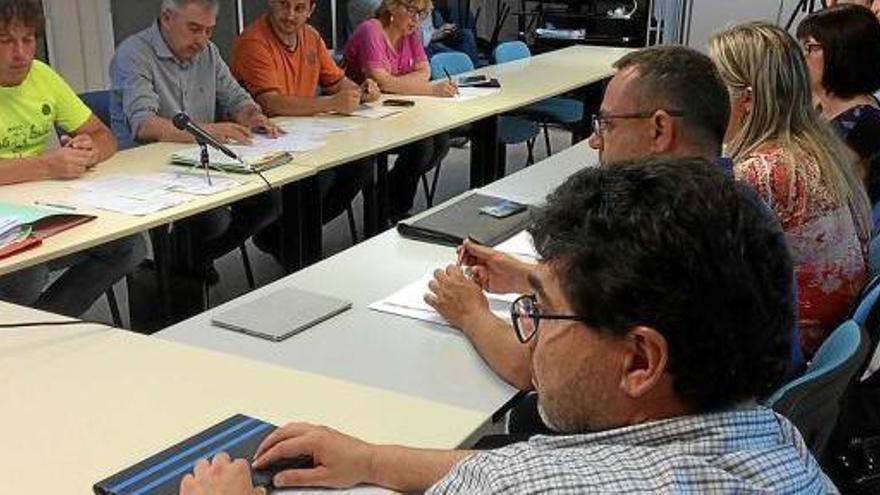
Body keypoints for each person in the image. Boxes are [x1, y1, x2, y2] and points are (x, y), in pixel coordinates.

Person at [180, 157, 836, 494]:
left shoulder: (513, 486)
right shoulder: (781, 443)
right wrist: (373, 458)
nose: (532, 335)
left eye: (540, 309)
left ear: (640, 361)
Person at [425, 46, 734, 393]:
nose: (594, 141)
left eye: (607, 125)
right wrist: (531, 278)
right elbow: (626, 301)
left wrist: (470, 312)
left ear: (659, 130)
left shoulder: (652, 230)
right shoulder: (736, 209)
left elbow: (535, 368)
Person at [709, 22, 872, 356]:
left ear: (747, 98)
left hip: (785, 347)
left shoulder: (763, 172)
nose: (706, 101)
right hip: (822, 334)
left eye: (714, 89)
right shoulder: (817, 146)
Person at [110, 0, 283, 283]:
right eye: (194, 29)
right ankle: (181, 270)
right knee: (213, 217)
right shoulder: (133, 54)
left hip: (201, 165)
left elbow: (236, 98)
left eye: (209, 31)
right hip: (149, 172)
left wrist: (252, 115)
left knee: (268, 200)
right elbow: (145, 125)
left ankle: (190, 263)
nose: (202, 40)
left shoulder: (209, 53)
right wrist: (210, 131)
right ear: (167, 18)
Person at [0, 0, 145, 317]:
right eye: (6, 41)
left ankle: (45, 327)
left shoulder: (42, 75)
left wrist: (89, 149)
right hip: (7, 224)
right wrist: (48, 165)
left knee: (129, 245)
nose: (21, 53)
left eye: (28, 39)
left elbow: (103, 135)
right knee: (26, 274)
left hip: (40, 210)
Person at [230, 0, 378, 234]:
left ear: (311, 10)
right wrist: (330, 103)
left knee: (360, 166)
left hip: (307, 136)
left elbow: (336, 82)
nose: (290, 15)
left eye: (299, 8)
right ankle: (284, 239)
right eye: (284, 5)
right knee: (319, 179)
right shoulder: (253, 41)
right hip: (266, 141)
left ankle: (298, 237)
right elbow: (271, 103)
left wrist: (360, 92)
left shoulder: (311, 36)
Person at [344, 0, 455, 221]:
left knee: (440, 141)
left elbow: (424, 71)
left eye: (422, 13)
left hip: (393, 110)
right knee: (422, 146)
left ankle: (384, 199)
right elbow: (381, 81)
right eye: (411, 10)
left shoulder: (409, 32)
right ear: (393, 6)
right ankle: (391, 210)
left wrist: (397, 84)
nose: (416, 19)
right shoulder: (371, 29)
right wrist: (428, 90)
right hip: (359, 116)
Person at [798, 4, 880, 205]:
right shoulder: (816, 105)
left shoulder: (866, 123)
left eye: (810, 47)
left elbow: (819, 193)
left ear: (842, 53)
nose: (801, 56)